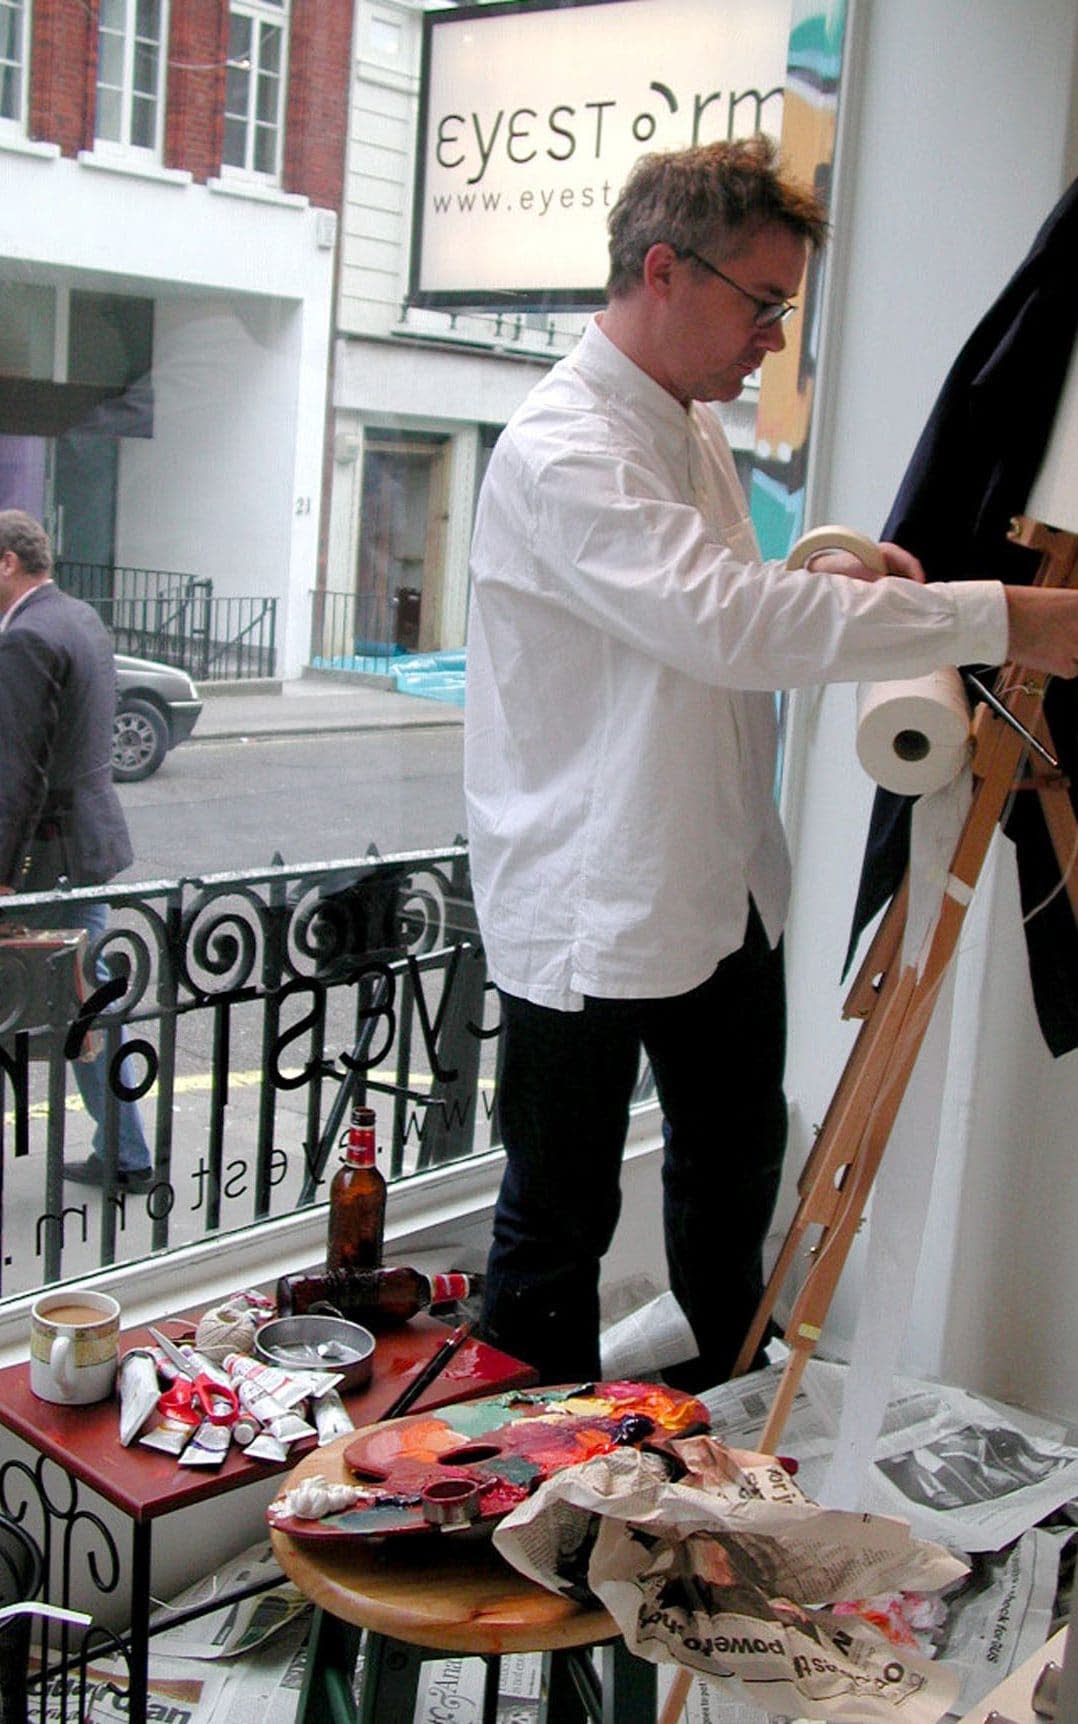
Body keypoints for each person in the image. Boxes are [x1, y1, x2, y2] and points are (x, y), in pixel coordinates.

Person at [464, 136, 1078, 1390]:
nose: (771, 338)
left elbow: (702, 614)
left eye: (783, 309)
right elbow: (722, 624)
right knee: (552, 1233)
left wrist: (826, 580)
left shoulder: (683, 430)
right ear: (662, 271)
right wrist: (1004, 617)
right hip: (591, 901)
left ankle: (696, 1455)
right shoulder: (563, 447)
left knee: (734, 1174)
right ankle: (517, 1527)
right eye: (762, 304)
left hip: (719, 881)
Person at [0, 509, 154, 1192]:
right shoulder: (79, 617)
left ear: (8, 562)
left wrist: (4, 876)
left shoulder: (26, 637)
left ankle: (126, 1155)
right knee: (86, 1004)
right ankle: (125, 1155)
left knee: (56, 1007)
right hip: (87, 847)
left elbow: (16, 769)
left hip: (46, 860)